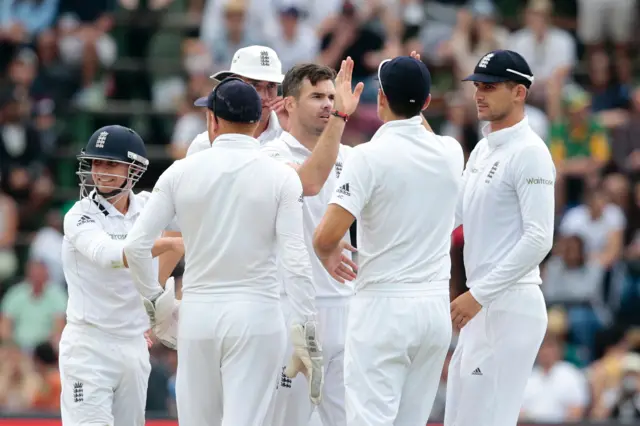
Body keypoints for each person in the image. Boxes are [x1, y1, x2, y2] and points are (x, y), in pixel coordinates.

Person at [123, 79, 328, 425]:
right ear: (256, 121)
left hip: (199, 315)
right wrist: (305, 330)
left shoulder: (180, 172)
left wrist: (156, 305)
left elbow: (135, 245)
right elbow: (296, 261)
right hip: (258, 316)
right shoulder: (281, 177)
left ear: (212, 121)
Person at [313, 54, 464, 425]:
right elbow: (418, 125)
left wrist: (327, 254)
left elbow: (326, 236)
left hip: (383, 309)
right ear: (427, 103)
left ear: (381, 99)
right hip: (433, 312)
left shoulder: (367, 157)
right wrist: (414, 85)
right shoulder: (450, 151)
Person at [445, 49, 555, 426]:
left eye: (489, 86)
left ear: (519, 92)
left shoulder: (531, 153)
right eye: (477, 85)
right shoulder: (481, 148)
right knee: (460, 417)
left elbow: (540, 238)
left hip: (508, 304)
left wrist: (479, 294)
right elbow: (452, 218)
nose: (479, 93)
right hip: (480, 305)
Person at [59, 125, 184, 425]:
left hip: (134, 346)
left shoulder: (148, 206)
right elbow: (111, 255)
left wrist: (150, 309)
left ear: (133, 169)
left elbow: (195, 221)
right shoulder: (79, 215)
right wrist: (169, 242)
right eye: (96, 162)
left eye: (110, 163)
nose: (100, 171)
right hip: (88, 346)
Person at [263, 60, 361, 426]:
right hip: (290, 308)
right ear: (288, 104)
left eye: (331, 97)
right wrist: (340, 116)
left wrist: (409, 104)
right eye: (316, 96)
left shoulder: (351, 158)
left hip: (345, 306)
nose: (326, 104)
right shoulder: (271, 156)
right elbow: (308, 182)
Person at [187, 45, 286, 156]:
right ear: (232, 84)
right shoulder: (203, 146)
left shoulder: (290, 137)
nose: (264, 96)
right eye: (254, 85)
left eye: (271, 86)